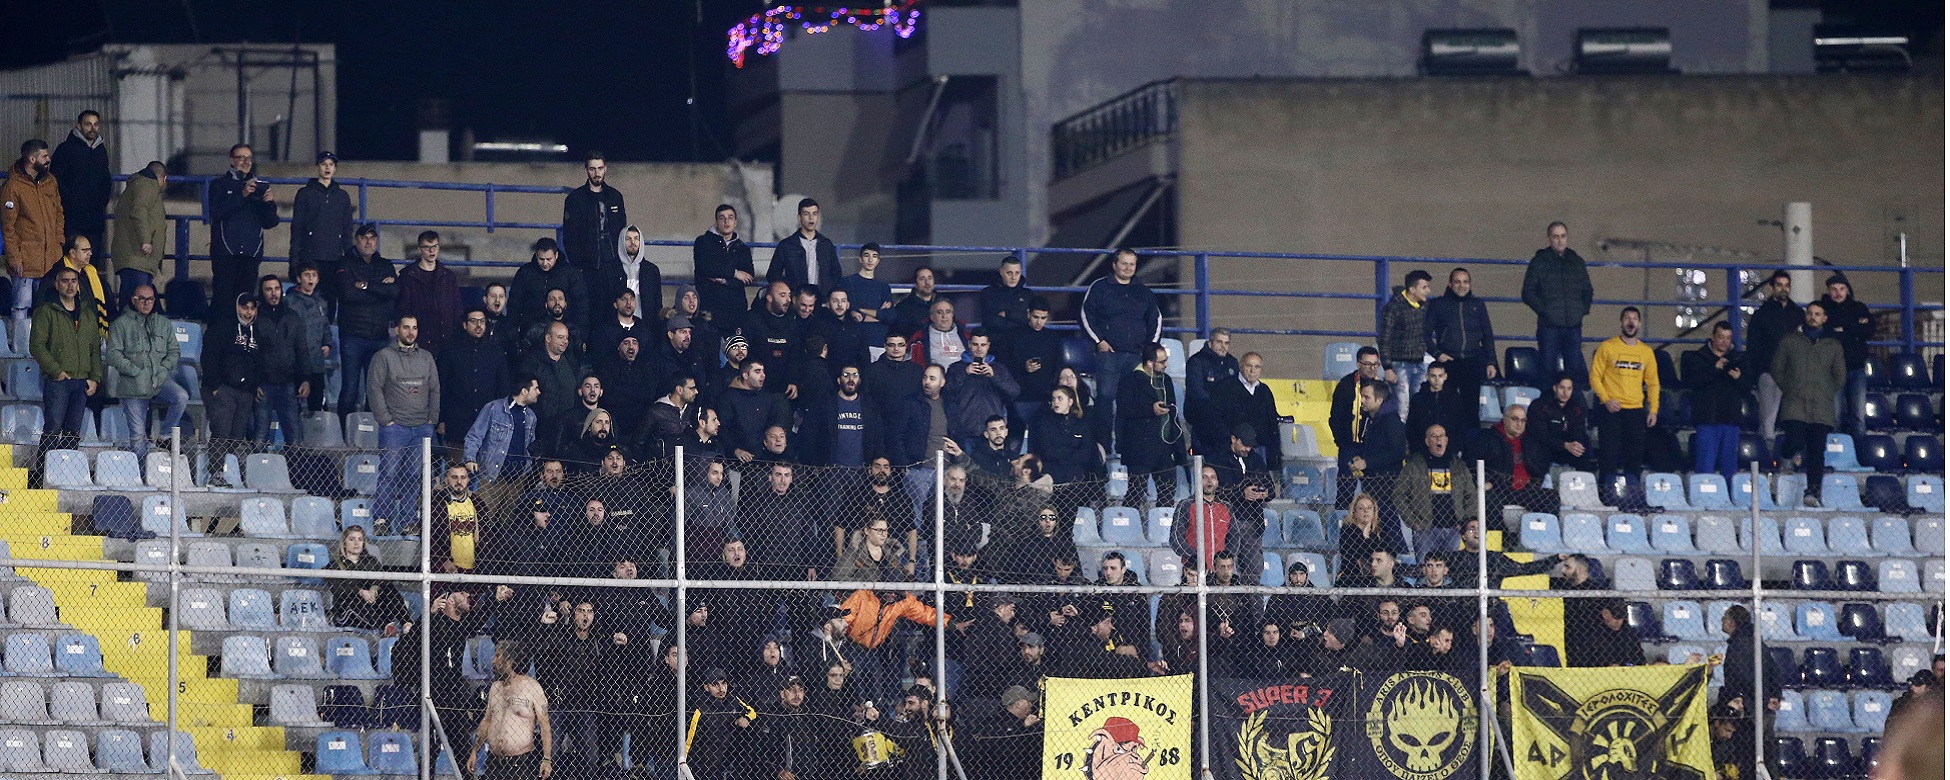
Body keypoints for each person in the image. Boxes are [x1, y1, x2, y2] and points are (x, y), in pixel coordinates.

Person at [1082, 248, 1161, 453]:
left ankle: (1126, 447)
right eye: (1124, 263)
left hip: (1136, 356)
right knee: (1105, 398)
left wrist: (1149, 350)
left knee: (1131, 403)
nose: (1128, 268)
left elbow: (1156, 320)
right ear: (1114, 264)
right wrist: (1099, 341)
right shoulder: (1099, 287)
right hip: (1109, 355)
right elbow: (1086, 315)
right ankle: (1103, 448)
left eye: (1132, 264)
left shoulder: (1144, 292)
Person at [369, 315, 441, 531]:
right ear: (397, 330)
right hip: (395, 428)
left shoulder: (427, 357)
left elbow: (435, 389)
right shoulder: (383, 357)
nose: (411, 332)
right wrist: (386, 420)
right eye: (406, 328)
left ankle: (408, 521)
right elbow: (374, 389)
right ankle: (381, 519)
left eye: (415, 328)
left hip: (421, 428)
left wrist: (432, 419)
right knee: (389, 474)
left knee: (414, 475)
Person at [1772, 299, 1845, 508]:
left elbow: (1840, 377)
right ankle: (1786, 456)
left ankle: (1813, 491)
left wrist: (1826, 392)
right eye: (1810, 313)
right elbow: (1777, 368)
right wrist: (1790, 388)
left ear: (1825, 318)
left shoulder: (1833, 345)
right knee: (1795, 439)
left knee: (1816, 451)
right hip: (1795, 404)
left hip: (1821, 407)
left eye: (1817, 314)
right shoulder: (1790, 341)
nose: (1813, 317)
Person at [1589, 307, 1659, 506]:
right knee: (1608, 456)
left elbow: (1653, 383)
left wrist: (1653, 409)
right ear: (1621, 323)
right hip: (1611, 410)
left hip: (1635, 411)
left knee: (1634, 458)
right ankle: (1605, 498)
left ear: (1639, 324)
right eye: (1627, 318)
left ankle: (1633, 498)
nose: (1631, 321)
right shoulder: (1607, 347)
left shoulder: (1646, 352)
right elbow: (1595, 376)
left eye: (1634, 318)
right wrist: (1606, 399)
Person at [104, 284, 184, 456]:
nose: (147, 303)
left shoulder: (163, 323)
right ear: (133, 300)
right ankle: (140, 471)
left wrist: (164, 369)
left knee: (181, 397)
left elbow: (174, 351)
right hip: (133, 385)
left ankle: (165, 435)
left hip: (159, 380)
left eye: (150, 299)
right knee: (138, 437)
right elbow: (113, 355)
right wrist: (134, 371)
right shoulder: (120, 324)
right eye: (142, 299)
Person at [207, 144, 280, 326]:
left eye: (249, 158)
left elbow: (270, 222)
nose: (245, 162)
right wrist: (242, 194)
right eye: (241, 158)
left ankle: (243, 337)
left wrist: (269, 203)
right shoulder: (219, 185)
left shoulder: (259, 187)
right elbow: (216, 213)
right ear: (232, 160)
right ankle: (218, 336)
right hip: (226, 253)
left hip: (250, 253)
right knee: (223, 300)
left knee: (245, 301)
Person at [30, 266, 102, 446]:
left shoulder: (87, 313)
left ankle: (68, 465)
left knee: (73, 432)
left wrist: (95, 378)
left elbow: (95, 348)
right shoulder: (46, 312)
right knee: (52, 429)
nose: (70, 285)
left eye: (73, 281)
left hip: (82, 381)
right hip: (58, 381)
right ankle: (44, 464)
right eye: (65, 281)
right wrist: (57, 371)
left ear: (78, 285)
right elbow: (36, 346)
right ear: (57, 285)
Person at [1523, 222, 1594, 390]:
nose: (1560, 240)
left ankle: (1572, 406)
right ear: (1549, 238)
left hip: (1573, 326)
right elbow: (1528, 292)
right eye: (1556, 236)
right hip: (1549, 327)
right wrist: (1545, 313)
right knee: (1547, 370)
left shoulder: (1577, 262)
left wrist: (1580, 312)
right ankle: (1547, 403)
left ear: (1567, 238)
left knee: (1573, 370)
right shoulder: (1539, 262)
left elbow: (1588, 290)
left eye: (1563, 236)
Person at [336, 223, 399, 413]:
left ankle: (371, 429)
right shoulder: (345, 263)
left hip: (379, 336)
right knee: (350, 390)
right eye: (364, 238)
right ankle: (344, 429)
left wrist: (366, 286)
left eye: (372, 238)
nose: (368, 242)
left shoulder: (385, 264)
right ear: (357, 240)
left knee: (375, 391)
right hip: (352, 335)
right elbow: (348, 294)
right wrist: (380, 289)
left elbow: (394, 291)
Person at [1116, 343, 1186, 512]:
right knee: (1136, 492)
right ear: (1149, 363)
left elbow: (1173, 413)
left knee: (1167, 493)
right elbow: (1124, 410)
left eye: (1166, 360)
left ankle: (1163, 525)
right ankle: (1128, 523)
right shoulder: (1130, 380)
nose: (1166, 365)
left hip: (1165, 445)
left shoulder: (1166, 380)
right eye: (1161, 362)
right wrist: (1150, 409)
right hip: (1140, 447)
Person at [3, 140, 64, 324]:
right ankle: (21, 341)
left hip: (50, 258)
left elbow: (59, 213)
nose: (48, 159)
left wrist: (59, 241)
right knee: (21, 306)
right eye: (44, 156)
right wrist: (14, 257)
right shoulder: (13, 187)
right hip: (25, 261)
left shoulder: (50, 181)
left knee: (48, 306)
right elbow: (8, 226)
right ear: (31, 159)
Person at [475, 640, 553, 780]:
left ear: (509, 660)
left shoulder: (532, 687)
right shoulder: (495, 688)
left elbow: (544, 724)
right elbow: (486, 721)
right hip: (494, 762)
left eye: (497, 656)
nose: (493, 661)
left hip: (520, 764)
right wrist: (475, 752)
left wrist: (546, 759)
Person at [1423, 267, 1498, 408]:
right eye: (1457, 282)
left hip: (1473, 361)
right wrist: (1437, 354)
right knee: (1447, 406)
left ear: (1470, 284)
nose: (1462, 285)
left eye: (1465, 282)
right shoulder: (1438, 305)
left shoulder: (1478, 305)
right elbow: (1423, 334)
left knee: (1471, 408)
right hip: (1448, 362)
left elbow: (1487, 335)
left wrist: (1491, 362)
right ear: (1450, 284)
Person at [200, 294, 260, 469]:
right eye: (244, 307)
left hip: (245, 393)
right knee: (221, 432)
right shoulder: (221, 327)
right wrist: (216, 387)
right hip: (221, 389)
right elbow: (208, 358)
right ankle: (215, 473)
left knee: (237, 436)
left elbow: (260, 362)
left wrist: (253, 387)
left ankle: (228, 471)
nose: (248, 312)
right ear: (237, 307)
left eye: (252, 308)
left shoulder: (258, 332)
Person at [288, 151, 355, 307]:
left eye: (331, 164)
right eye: (324, 164)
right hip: (310, 257)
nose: (327, 168)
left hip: (334, 258)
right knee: (308, 300)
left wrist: (349, 260)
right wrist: (294, 261)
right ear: (317, 166)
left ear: (335, 168)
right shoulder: (304, 194)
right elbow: (297, 229)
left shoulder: (342, 196)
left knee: (330, 300)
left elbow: (347, 230)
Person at [1684, 322, 1748, 482]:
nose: (1724, 342)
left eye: (1728, 338)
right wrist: (1715, 369)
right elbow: (1693, 382)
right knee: (1705, 467)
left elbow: (1747, 387)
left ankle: (1729, 495)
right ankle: (1704, 495)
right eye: (1720, 337)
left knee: (1730, 468)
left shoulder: (1738, 359)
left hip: (1731, 420)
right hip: (1708, 419)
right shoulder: (1699, 358)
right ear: (1713, 337)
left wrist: (1739, 378)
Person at [441, 309, 512, 452]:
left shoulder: (495, 352)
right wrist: (441, 419)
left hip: (488, 424)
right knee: (457, 464)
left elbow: (503, 387)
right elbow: (442, 387)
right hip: (458, 422)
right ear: (465, 325)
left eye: (482, 321)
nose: (478, 325)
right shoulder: (451, 351)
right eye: (473, 321)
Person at [250, 275, 309, 446]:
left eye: (276, 289)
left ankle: (293, 465)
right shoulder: (255, 318)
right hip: (263, 385)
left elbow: (302, 350)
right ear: (262, 293)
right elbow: (249, 354)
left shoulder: (293, 317)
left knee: (294, 437)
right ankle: (257, 464)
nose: (273, 293)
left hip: (288, 383)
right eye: (269, 289)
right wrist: (253, 382)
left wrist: (306, 379)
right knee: (260, 435)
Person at [1397, 423, 1469, 559]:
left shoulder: (1458, 465)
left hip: (1453, 529)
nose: (1438, 439)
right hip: (1425, 530)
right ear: (1427, 441)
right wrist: (1412, 521)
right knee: (1425, 567)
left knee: (1450, 567)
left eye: (1441, 436)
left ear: (1446, 440)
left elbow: (1471, 494)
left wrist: (1464, 520)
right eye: (1434, 436)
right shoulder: (1414, 465)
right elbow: (1399, 494)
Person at [50, 111, 110, 272]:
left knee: (91, 265)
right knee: (70, 264)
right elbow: (56, 181)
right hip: (72, 219)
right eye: (88, 124)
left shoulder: (101, 151)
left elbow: (105, 181)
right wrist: (71, 203)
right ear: (79, 125)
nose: (92, 128)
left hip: (94, 221)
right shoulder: (65, 150)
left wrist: (100, 203)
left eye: (96, 124)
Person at [1745, 270, 1800, 443]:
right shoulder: (1761, 315)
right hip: (1769, 372)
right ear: (1772, 287)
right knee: (1768, 420)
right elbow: (1753, 346)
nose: (1783, 289)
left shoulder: (1798, 314)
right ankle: (1768, 453)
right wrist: (1758, 372)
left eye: (1786, 285)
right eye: (1779, 285)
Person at [1471, 406, 1556, 513]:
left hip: (1526, 491)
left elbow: (1540, 468)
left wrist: (1534, 485)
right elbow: (1472, 464)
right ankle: (1500, 525)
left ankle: (1540, 524)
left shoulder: (1531, 441)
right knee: (1490, 499)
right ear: (1504, 419)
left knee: (1552, 497)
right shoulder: (1486, 438)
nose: (1519, 424)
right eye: (1515, 419)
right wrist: (1487, 482)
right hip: (1498, 490)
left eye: (1523, 420)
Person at [1820, 273, 1874, 437]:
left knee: (1858, 417)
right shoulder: (1822, 309)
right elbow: (1823, 333)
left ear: (1847, 290)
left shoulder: (1859, 307)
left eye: (1841, 289)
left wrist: (1842, 330)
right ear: (1828, 291)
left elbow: (1870, 330)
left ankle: (1858, 451)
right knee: (1835, 417)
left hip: (1856, 369)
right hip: (1832, 371)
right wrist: (1853, 329)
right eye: (1834, 289)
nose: (1838, 293)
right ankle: (1838, 452)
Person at [325, 525, 407, 631]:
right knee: (354, 599)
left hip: (372, 609)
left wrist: (374, 588)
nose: (356, 543)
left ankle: (407, 623)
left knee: (389, 589)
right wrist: (361, 592)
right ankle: (386, 628)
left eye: (360, 539)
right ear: (344, 543)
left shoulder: (370, 561)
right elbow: (338, 588)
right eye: (351, 539)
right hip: (347, 612)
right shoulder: (335, 564)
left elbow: (383, 579)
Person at [109, 161, 168, 309]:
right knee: (136, 303)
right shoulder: (147, 185)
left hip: (136, 257)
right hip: (137, 256)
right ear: (163, 178)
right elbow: (139, 211)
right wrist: (146, 240)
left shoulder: (139, 185)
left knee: (134, 301)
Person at [465, 376, 541, 487]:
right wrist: (470, 458)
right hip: (490, 478)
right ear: (524, 391)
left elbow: (530, 446)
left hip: (517, 481)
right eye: (536, 388)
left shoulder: (531, 416)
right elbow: (475, 435)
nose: (539, 392)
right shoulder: (494, 408)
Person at [945, 330, 1018, 443]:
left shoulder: (999, 369)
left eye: (983, 345)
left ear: (988, 345)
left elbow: (1014, 392)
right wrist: (965, 373)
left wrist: (994, 376)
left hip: (992, 430)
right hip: (965, 430)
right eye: (975, 344)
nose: (979, 349)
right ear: (969, 344)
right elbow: (946, 392)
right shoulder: (956, 368)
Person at [1343, 378, 1405, 511]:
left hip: (1388, 487)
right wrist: (1359, 456)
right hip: (1371, 483)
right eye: (1362, 396)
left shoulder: (1392, 422)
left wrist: (1367, 463)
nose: (1362, 400)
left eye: (1367, 397)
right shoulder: (1368, 419)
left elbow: (1398, 452)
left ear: (1379, 400)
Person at [1216, 350, 1284, 471]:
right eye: (1249, 366)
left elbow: (1272, 422)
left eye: (1257, 367)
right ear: (1241, 366)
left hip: (1260, 450)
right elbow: (1218, 419)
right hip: (1235, 451)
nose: (1253, 370)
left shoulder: (1264, 391)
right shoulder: (1225, 387)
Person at [397, 231, 462, 356]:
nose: (432, 251)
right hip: (419, 338)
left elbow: (456, 307)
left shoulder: (448, 276)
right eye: (427, 247)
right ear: (419, 249)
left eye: (435, 246)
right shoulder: (407, 277)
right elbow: (403, 308)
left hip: (445, 338)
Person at [1378, 269, 1433, 417]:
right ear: (1412, 289)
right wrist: (1388, 367)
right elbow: (1384, 338)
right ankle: (1401, 433)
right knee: (1402, 408)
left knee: (1418, 408)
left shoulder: (1425, 306)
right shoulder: (1394, 308)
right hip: (1399, 364)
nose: (1428, 291)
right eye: (1424, 287)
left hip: (1419, 362)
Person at [521, 322, 582, 454]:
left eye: (566, 338)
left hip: (566, 431)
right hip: (540, 430)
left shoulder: (570, 361)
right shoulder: (532, 362)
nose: (565, 341)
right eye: (560, 337)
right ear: (548, 338)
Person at [509, 238, 588, 338]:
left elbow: (581, 304)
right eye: (541, 259)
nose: (545, 263)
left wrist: (581, 334)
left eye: (549, 259)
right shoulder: (525, 273)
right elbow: (514, 303)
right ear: (536, 255)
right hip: (532, 329)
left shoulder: (571, 273)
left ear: (556, 255)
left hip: (565, 329)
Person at [561, 152, 627, 270]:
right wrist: (577, 264)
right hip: (586, 266)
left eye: (600, 168)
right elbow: (570, 235)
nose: (597, 173)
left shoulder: (615, 197)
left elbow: (622, 229)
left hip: (613, 264)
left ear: (605, 169)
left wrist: (620, 260)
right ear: (586, 170)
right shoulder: (575, 199)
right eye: (592, 169)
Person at [693, 204, 754, 326]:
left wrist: (722, 280)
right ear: (716, 222)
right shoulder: (703, 242)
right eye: (722, 218)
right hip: (709, 309)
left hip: (735, 310)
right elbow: (705, 268)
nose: (726, 221)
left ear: (735, 222)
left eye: (730, 218)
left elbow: (748, 276)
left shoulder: (742, 248)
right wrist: (734, 273)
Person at [284, 264, 333, 413]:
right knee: (291, 406)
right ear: (299, 279)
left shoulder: (321, 302)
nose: (310, 278)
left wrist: (327, 343)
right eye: (307, 275)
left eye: (314, 275)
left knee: (316, 405)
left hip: (316, 362)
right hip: (294, 363)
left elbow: (325, 325)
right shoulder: (289, 302)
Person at [1184, 328, 1238, 456]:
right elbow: (1197, 393)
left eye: (1226, 343)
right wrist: (1220, 403)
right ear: (1210, 343)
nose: (1223, 346)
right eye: (1219, 342)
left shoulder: (1232, 363)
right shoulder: (1196, 362)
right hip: (1202, 416)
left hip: (1225, 418)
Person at [769, 197, 843, 291]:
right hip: (796, 297)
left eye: (814, 214)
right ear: (799, 217)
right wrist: (790, 289)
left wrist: (827, 291)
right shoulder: (786, 245)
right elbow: (773, 274)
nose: (811, 218)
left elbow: (836, 273)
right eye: (806, 214)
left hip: (821, 297)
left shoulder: (826, 244)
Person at [1525, 373, 1595, 470]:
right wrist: (1564, 445)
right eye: (1562, 388)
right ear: (1555, 388)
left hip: (1566, 447)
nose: (1565, 393)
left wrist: (1576, 444)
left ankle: (1584, 476)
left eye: (1569, 389)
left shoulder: (1576, 408)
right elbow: (1540, 435)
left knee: (1584, 445)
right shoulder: (1539, 406)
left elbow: (1578, 430)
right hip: (1545, 447)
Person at [598, 224, 661, 322]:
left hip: (645, 325)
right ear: (621, 242)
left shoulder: (652, 271)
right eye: (628, 239)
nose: (633, 242)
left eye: (636, 238)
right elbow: (603, 302)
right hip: (615, 325)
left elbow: (657, 304)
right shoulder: (609, 270)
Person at [837, 242, 894, 346]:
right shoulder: (847, 282)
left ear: (878, 261)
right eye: (866, 255)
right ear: (860, 259)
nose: (870, 260)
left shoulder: (883, 287)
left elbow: (889, 316)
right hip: (854, 338)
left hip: (878, 340)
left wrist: (861, 310)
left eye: (874, 256)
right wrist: (878, 313)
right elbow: (850, 314)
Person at [1407, 361, 1474, 446]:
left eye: (1440, 376)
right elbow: (1412, 426)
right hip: (1423, 447)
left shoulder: (1454, 398)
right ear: (1427, 377)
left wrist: (1455, 445)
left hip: (1450, 447)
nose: (1437, 380)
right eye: (1433, 376)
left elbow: (1461, 423)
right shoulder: (1418, 399)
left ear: (1445, 376)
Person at [979, 254, 1035, 340]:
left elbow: (1031, 320)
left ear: (1021, 272)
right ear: (1001, 272)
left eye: (1017, 273)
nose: (1013, 277)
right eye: (1009, 273)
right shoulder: (988, 293)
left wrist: (1007, 314)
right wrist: (1019, 318)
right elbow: (991, 322)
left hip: (1021, 341)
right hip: (997, 341)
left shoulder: (1028, 294)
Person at [887, 265, 941, 338]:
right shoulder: (903, 307)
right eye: (922, 279)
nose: (927, 282)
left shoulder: (944, 304)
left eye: (930, 278)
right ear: (915, 284)